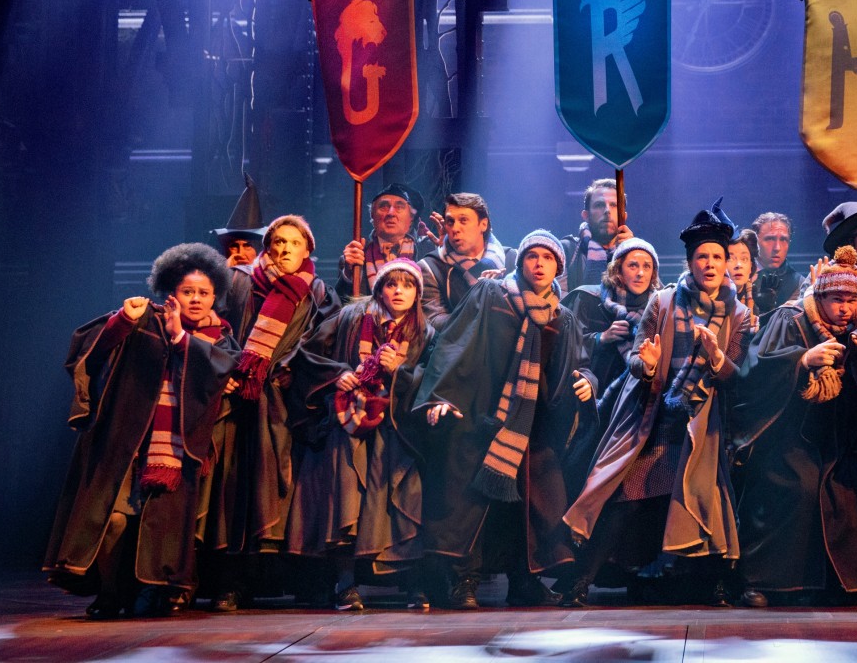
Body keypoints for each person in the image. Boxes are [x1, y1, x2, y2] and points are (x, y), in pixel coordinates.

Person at [561, 202, 755, 607]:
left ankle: (718, 585)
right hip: (655, 418)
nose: (710, 264)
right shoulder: (663, 302)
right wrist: (647, 365)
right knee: (627, 498)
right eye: (702, 256)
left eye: (717, 257)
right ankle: (581, 582)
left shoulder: (738, 314)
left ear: (726, 262)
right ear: (690, 261)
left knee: (705, 501)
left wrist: (717, 357)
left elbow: (737, 375)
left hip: (703, 425)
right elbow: (636, 359)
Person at [45, 244, 237, 618]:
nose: (196, 299)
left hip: (180, 452)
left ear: (215, 296)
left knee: (161, 527)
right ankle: (110, 593)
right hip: (128, 443)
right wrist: (121, 321)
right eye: (187, 291)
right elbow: (89, 351)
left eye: (204, 292)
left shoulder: (220, 338)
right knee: (114, 519)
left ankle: (155, 592)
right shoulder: (143, 319)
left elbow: (221, 371)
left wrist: (180, 337)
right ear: (171, 292)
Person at [412, 231, 596, 609]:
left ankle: (523, 581)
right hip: (480, 416)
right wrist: (441, 396)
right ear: (521, 261)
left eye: (548, 258)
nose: (539, 264)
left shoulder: (562, 317)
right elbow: (454, 343)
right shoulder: (491, 294)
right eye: (532, 256)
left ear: (559, 268)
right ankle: (465, 581)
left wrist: (587, 382)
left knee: (525, 509)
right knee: (471, 505)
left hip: (530, 425)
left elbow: (578, 364)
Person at [732, 246, 857, 607]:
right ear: (821, 297)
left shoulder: (855, 330)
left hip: (830, 435)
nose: (845, 308)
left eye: (852, 300)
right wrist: (801, 359)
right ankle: (761, 581)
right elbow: (755, 370)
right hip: (783, 433)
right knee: (796, 487)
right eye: (837, 300)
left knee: (839, 492)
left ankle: (833, 583)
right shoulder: (791, 319)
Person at [285, 257, 433, 610]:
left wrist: (402, 371)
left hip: (397, 427)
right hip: (349, 422)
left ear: (418, 293)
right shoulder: (350, 317)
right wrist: (338, 373)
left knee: (400, 499)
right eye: (391, 284)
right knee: (347, 498)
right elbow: (306, 353)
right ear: (379, 289)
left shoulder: (426, 332)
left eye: (407, 285)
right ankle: (345, 583)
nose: (398, 291)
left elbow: (435, 378)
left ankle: (412, 584)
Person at [207, 215, 337, 610]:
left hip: (292, 404)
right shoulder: (241, 282)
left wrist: (293, 369)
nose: (284, 250)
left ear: (308, 249)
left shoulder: (318, 293)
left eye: (294, 243)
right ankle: (234, 583)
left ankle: (305, 582)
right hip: (244, 400)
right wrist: (230, 370)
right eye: (278, 242)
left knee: (296, 493)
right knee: (238, 490)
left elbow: (324, 343)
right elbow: (218, 328)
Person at [563, 237, 661, 397]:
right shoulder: (587, 298)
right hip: (591, 395)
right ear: (618, 269)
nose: (640, 273)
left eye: (647, 266)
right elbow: (565, 345)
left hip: (635, 398)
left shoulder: (659, 307)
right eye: (633, 265)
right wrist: (601, 338)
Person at [419, 192, 514, 330]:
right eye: (450, 222)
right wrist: (479, 299)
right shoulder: (430, 267)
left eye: (463, 220)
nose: (455, 229)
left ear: (483, 224)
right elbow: (434, 322)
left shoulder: (513, 260)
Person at [337, 183, 431, 299]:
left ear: (411, 218)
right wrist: (348, 274)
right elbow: (340, 305)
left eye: (399, 207)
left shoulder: (427, 253)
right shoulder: (356, 257)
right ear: (372, 215)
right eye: (384, 207)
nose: (391, 213)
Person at [212, 174, 266, 330]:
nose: (240, 253)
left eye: (247, 246)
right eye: (234, 246)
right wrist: (224, 274)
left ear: (258, 249)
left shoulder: (268, 280)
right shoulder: (212, 279)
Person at [561, 178, 634, 291]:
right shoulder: (567, 250)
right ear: (586, 216)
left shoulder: (639, 253)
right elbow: (558, 298)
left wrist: (632, 251)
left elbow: (656, 296)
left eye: (614, 205)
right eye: (599, 205)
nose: (607, 210)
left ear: (623, 216)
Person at [751, 212, 804, 316]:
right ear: (755, 241)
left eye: (783, 239)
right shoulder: (737, 271)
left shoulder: (799, 283)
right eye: (770, 239)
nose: (777, 248)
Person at [727, 228, 761, 319]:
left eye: (744, 259)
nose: (738, 265)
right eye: (730, 259)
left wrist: (766, 310)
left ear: (751, 266)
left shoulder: (754, 301)